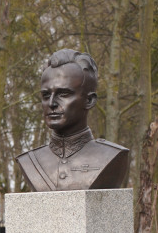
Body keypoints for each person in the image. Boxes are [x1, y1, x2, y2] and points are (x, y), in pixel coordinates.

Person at [15, 49, 129, 192]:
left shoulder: (111, 156)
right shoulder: (29, 161)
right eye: (45, 95)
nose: (51, 103)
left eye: (63, 94)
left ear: (89, 100)